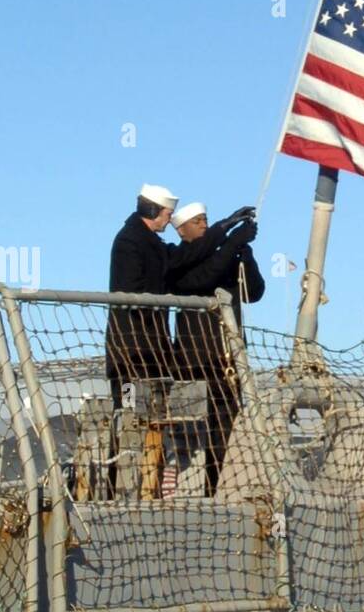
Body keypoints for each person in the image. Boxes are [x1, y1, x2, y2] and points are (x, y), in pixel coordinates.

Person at [105, 183, 255, 495]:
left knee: (153, 424)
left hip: (153, 356)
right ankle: (122, 493)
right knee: (131, 421)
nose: (166, 221)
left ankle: (150, 490)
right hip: (132, 354)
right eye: (166, 215)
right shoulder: (131, 242)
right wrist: (227, 241)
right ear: (152, 211)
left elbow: (183, 257)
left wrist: (225, 230)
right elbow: (182, 272)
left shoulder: (150, 243)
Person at [166, 201, 265, 494]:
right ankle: (186, 487)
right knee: (190, 431)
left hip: (227, 360)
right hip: (194, 361)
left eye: (205, 220)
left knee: (226, 427)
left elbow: (254, 293)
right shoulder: (179, 262)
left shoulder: (224, 258)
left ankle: (217, 486)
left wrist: (246, 257)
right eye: (197, 222)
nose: (204, 226)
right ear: (182, 230)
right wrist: (231, 240)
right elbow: (204, 277)